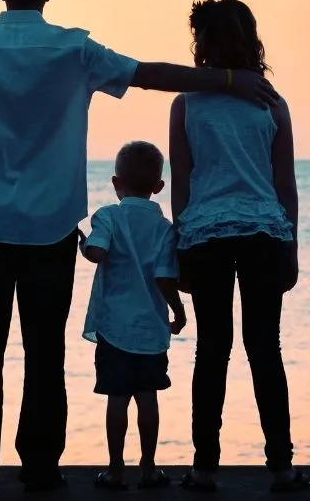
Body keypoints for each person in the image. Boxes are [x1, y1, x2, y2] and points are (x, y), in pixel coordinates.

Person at [0, 0, 280, 493]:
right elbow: (147, 75)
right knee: (45, 350)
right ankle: (41, 467)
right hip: (51, 225)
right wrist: (228, 81)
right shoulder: (74, 50)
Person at [170, 0, 310, 494]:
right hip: (264, 233)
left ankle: (204, 468)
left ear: (202, 41)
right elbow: (284, 183)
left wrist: (180, 245)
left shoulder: (186, 101)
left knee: (212, 351)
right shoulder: (272, 103)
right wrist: (291, 246)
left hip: (205, 233)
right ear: (251, 39)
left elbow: (182, 183)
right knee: (264, 350)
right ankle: (281, 468)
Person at [79, 142, 187, 491]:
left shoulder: (108, 216)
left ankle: (115, 469)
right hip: (151, 331)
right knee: (148, 398)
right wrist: (179, 310)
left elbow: (96, 252)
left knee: (117, 400)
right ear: (158, 187)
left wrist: (81, 243)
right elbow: (165, 277)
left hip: (114, 329)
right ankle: (149, 468)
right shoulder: (164, 228)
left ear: (116, 182)